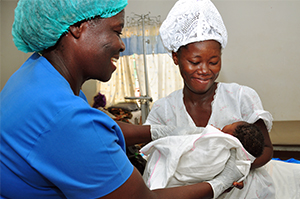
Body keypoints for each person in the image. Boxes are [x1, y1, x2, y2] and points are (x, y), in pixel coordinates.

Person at [0, 0, 244, 198]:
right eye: (116, 31)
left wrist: (164, 131)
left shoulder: (37, 76)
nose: (122, 44)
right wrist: (220, 182)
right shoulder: (65, 117)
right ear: (77, 27)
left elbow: (103, 127)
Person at [144, 0, 275, 198]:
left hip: (244, 192)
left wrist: (236, 170)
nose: (205, 70)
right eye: (194, 62)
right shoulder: (164, 110)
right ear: (175, 58)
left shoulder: (241, 97)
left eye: (213, 62)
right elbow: (156, 160)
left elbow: (266, 148)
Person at [141, 121, 264, 190]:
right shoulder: (240, 166)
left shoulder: (218, 140)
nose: (223, 127)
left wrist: (212, 132)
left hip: (173, 167)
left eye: (230, 124)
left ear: (231, 136)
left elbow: (205, 140)